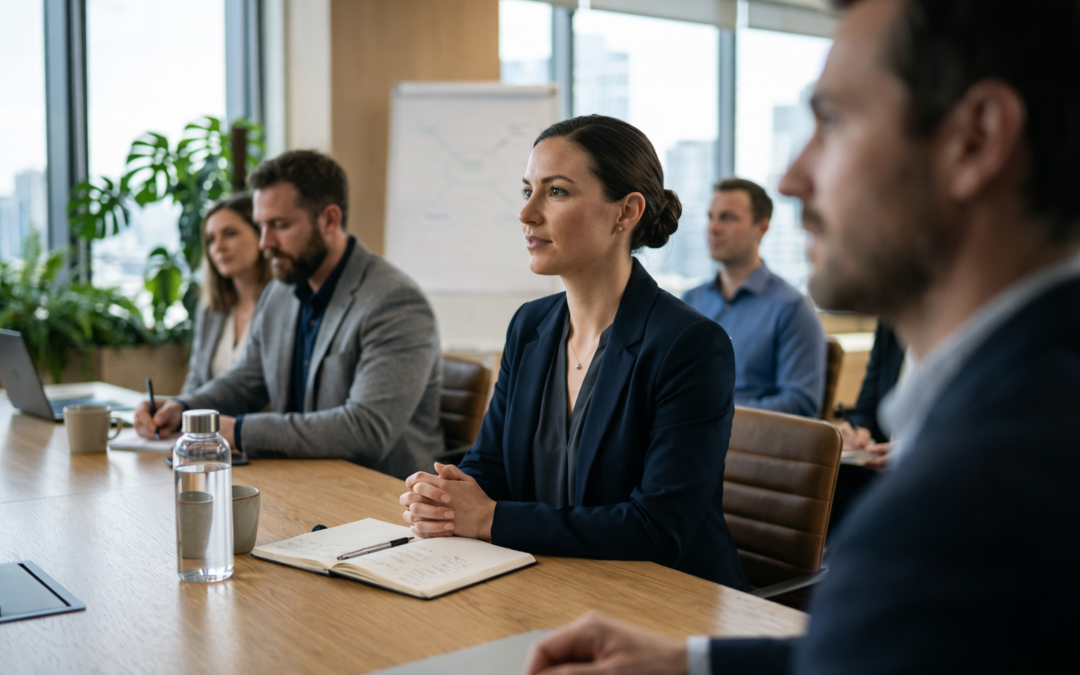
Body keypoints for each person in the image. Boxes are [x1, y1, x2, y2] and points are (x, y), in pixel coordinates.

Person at [526, 0, 1080, 672]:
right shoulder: (1016, 407)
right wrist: (689, 662)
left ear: (976, 139)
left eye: (833, 121)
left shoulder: (974, 495)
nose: (790, 179)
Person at [398, 115, 749, 590]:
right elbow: (492, 466)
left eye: (556, 192)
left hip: (663, 602)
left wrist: (489, 520)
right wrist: (445, 497)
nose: (527, 214)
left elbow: (656, 529)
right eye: (528, 191)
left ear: (626, 212)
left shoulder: (689, 345)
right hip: (549, 583)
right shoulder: (530, 325)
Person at [135, 150, 444, 479]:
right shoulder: (281, 291)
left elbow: (365, 430)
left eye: (279, 225)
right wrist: (185, 408)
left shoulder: (394, 301)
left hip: (381, 498)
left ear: (329, 220)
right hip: (301, 481)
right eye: (261, 226)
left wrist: (236, 431)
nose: (265, 243)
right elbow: (246, 381)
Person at [682, 178, 826, 417]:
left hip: (748, 446)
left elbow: (801, 404)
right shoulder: (690, 302)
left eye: (727, 218)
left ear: (762, 227)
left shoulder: (790, 308)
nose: (714, 227)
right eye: (711, 217)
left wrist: (717, 417)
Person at [181, 194, 271, 394]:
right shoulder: (210, 308)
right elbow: (195, 379)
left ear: (262, 235)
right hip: (208, 425)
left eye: (230, 233)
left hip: (256, 425)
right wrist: (179, 409)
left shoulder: (283, 305)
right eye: (211, 239)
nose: (218, 247)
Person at [829, 321, 905, 529]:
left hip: (925, 468)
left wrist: (914, 449)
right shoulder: (889, 325)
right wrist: (857, 430)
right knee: (822, 481)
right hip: (878, 464)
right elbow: (865, 408)